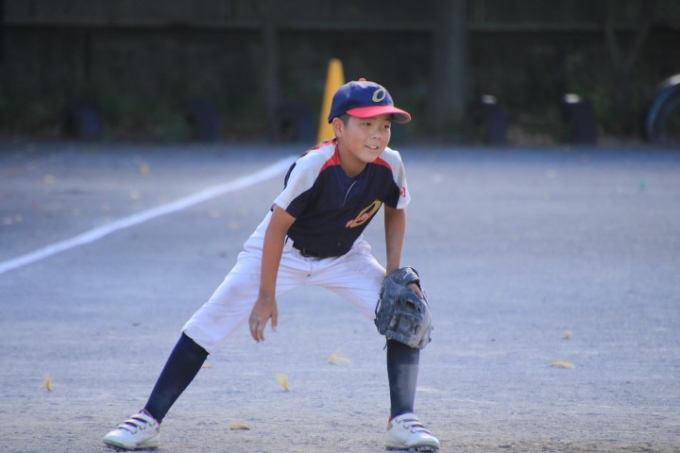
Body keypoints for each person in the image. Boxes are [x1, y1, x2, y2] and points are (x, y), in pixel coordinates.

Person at [102, 78, 440, 451]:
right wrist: (266, 294)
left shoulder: (391, 163)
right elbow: (277, 228)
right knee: (209, 321)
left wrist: (393, 274)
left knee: (405, 311)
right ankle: (148, 420)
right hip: (285, 251)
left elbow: (396, 209)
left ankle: (402, 421)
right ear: (338, 127)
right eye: (367, 124)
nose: (378, 134)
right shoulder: (314, 166)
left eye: (385, 125)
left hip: (346, 256)